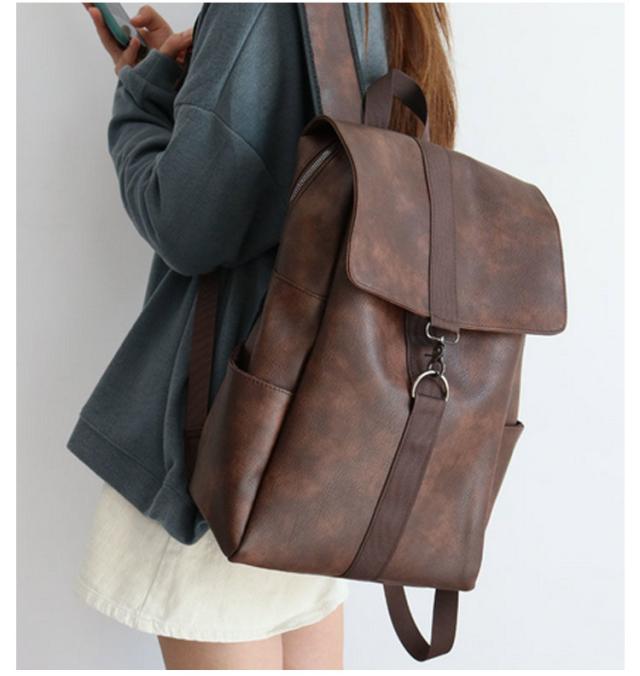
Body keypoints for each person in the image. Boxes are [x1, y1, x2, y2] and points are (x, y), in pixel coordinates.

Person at [70, 2, 456, 669]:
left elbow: (186, 224)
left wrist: (140, 96)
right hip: (323, 452)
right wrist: (198, 83)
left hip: (228, 448)